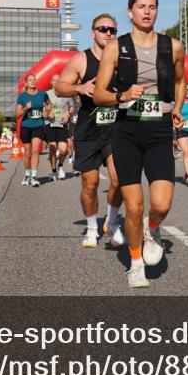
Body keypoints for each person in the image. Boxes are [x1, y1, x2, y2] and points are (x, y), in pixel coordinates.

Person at [93, 0, 185, 288]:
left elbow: (181, 80)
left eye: (152, 7)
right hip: (127, 132)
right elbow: (99, 94)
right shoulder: (115, 48)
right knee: (133, 207)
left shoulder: (173, 47)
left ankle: (152, 228)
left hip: (159, 130)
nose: (147, 11)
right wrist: (123, 95)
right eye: (141, 6)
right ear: (129, 12)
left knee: (161, 205)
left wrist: (178, 108)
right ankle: (135, 264)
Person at [56, 14, 125, 248]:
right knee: (90, 183)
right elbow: (59, 87)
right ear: (93, 32)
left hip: (116, 128)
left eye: (112, 30)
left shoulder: (123, 60)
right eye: (103, 29)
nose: (108, 33)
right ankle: (93, 227)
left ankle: (111, 221)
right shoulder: (81, 59)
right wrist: (80, 87)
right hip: (88, 130)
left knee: (119, 178)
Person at [15, 74, 49, 187]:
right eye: (30, 80)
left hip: (38, 125)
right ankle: (26, 175)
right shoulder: (22, 97)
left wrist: (46, 112)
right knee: (27, 152)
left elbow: (49, 104)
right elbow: (17, 115)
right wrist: (26, 108)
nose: (32, 82)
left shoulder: (42, 94)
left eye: (34, 80)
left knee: (35, 150)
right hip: (26, 126)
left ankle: (34, 177)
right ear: (26, 83)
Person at [44, 74, 75, 180]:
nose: (57, 82)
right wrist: (47, 114)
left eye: (59, 80)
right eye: (55, 80)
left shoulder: (66, 94)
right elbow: (42, 109)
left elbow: (72, 106)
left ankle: (60, 166)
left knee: (63, 150)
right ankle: (54, 172)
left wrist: (68, 113)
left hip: (62, 124)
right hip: (50, 124)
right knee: (52, 149)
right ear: (51, 82)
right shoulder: (46, 94)